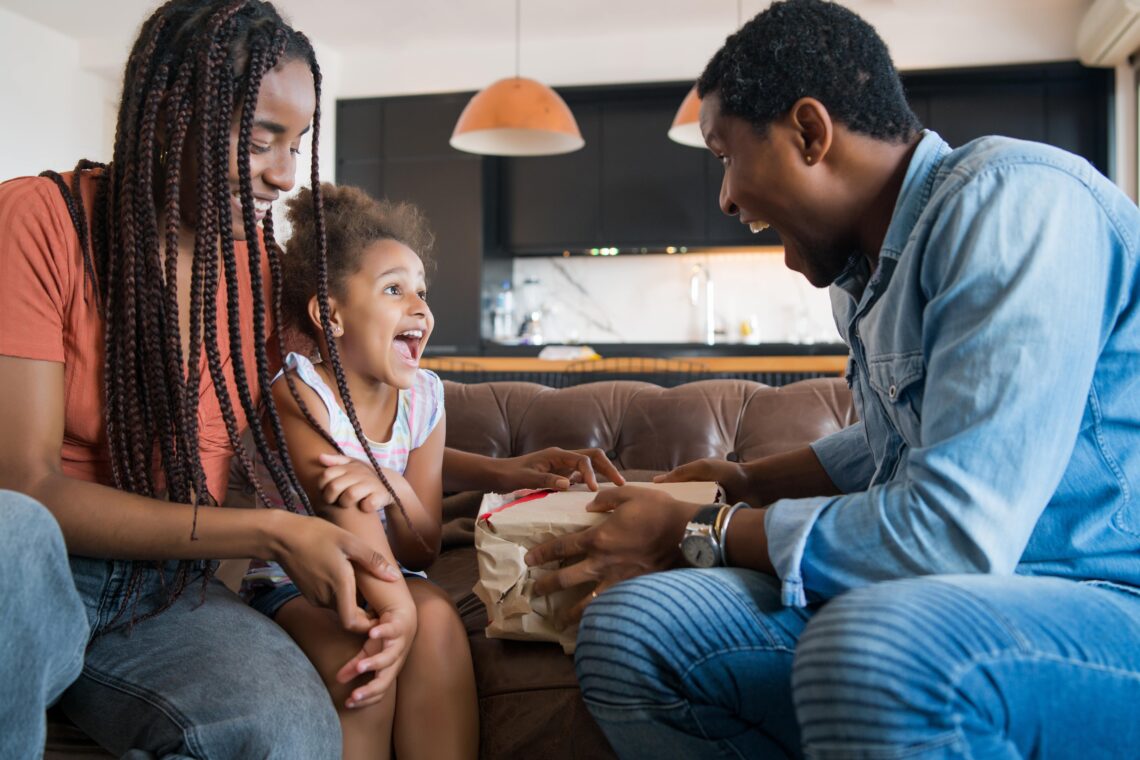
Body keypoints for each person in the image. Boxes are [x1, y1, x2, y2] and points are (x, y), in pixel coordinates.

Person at [0, 0, 621, 756]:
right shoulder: (42, 220)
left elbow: (337, 426)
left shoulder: (259, 269)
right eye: (263, 139)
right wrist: (272, 527)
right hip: (31, 578)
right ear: (171, 116)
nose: (284, 175)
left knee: (291, 729)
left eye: (298, 144)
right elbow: (28, 489)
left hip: (163, 594)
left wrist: (498, 471)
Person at [524, 1, 1140, 757]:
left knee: (872, 646)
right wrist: (743, 481)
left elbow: (950, 537)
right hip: (935, 601)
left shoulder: (1014, 203)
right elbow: (895, 439)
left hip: (1095, 599)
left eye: (724, 154)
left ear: (809, 133)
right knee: (631, 632)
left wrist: (700, 531)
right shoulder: (860, 273)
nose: (723, 198)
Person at [241, 182, 477, 759]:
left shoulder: (425, 399)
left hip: (393, 577)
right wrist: (394, 610)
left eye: (421, 291)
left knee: (439, 620)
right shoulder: (302, 391)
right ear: (332, 314)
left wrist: (394, 485)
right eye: (394, 290)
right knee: (364, 656)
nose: (419, 308)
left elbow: (420, 551)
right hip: (296, 581)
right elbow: (344, 507)